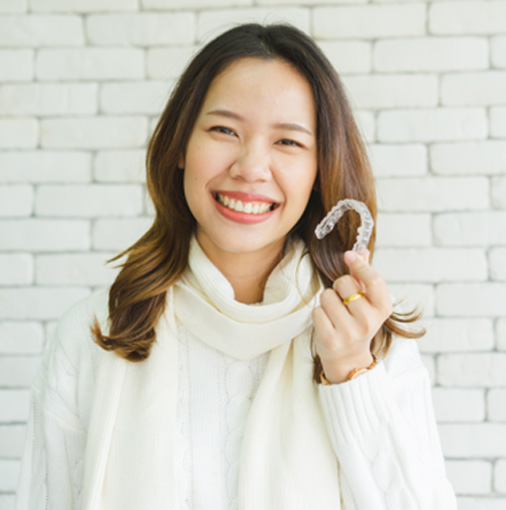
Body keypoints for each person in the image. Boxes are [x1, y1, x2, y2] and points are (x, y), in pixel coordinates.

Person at [16, 23, 457, 510]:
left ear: (318, 171)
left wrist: (351, 374)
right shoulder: (92, 336)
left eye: (288, 142)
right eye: (225, 130)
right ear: (181, 146)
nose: (250, 166)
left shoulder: (370, 341)